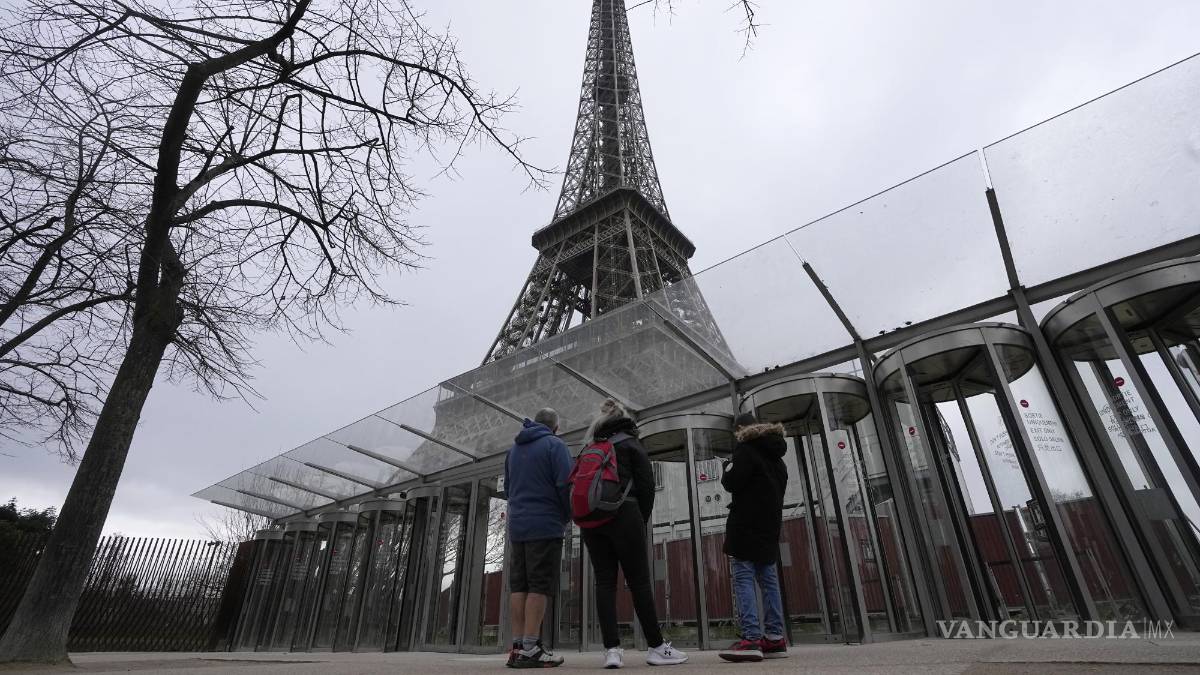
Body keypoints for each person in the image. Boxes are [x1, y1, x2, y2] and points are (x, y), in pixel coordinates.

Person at [580, 399, 688, 669]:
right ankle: (656, 647)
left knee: (604, 583)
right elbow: (647, 487)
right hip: (625, 515)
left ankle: (612, 651)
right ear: (625, 420)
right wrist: (641, 520)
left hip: (592, 521)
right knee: (638, 581)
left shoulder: (591, 447)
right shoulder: (630, 443)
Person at [717, 411, 789, 663]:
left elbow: (731, 482)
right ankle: (775, 638)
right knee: (769, 580)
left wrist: (726, 466)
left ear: (740, 430)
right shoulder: (778, 459)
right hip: (769, 527)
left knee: (744, 577)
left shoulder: (746, 450)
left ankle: (750, 639)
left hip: (746, 526)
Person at [504, 408, 572, 668]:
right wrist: (567, 515)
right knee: (539, 586)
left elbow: (508, 489)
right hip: (545, 524)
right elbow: (565, 484)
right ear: (556, 426)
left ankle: (518, 647)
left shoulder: (513, 450)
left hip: (518, 526)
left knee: (519, 586)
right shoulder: (555, 446)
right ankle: (531, 648)